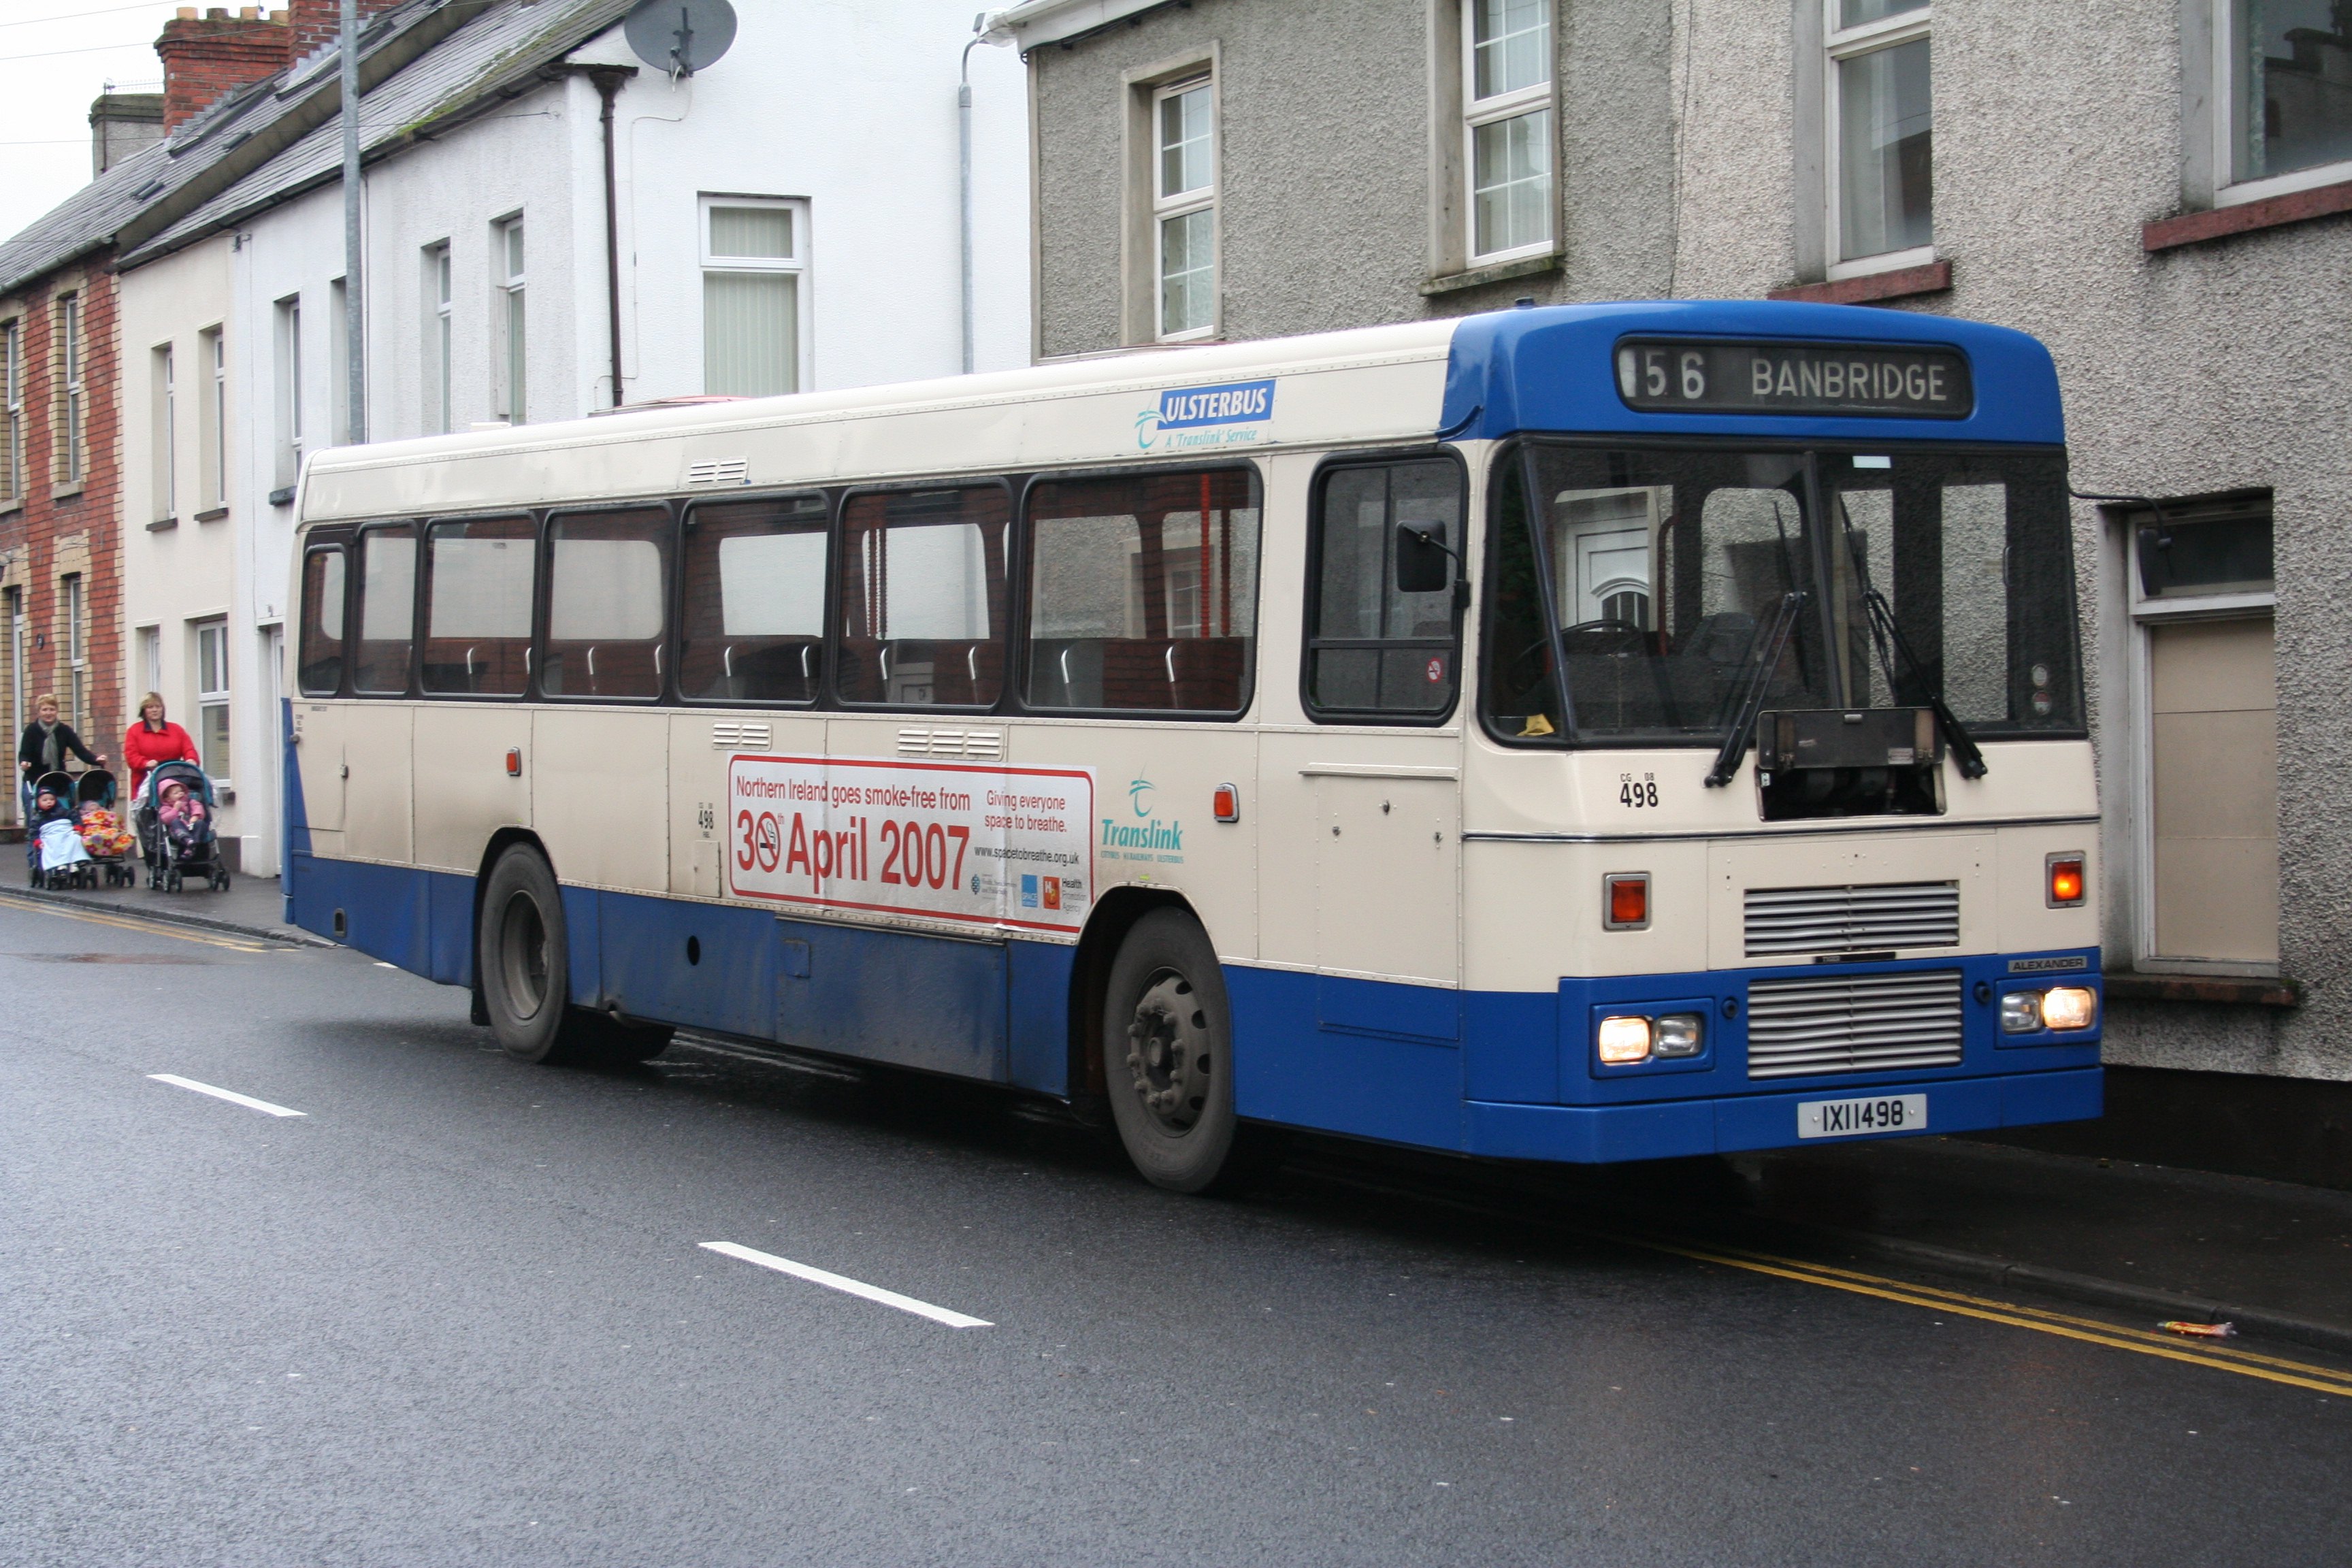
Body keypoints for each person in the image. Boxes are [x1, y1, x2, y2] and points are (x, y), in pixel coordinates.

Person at [17, 694, 103, 821]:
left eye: (52, 709)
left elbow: (80, 751)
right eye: (45, 710)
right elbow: (24, 753)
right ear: (39, 712)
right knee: (34, 817)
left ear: (57, 711)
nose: (48, 713)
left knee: (63, 816)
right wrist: (24, 763)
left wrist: (95, 759)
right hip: (35, 780)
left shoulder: (64, 731)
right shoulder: (31, 730)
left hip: (57, 780)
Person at [122, 692, 199, 797]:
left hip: (174, 780)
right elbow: (131, 756)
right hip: (146, 784)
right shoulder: (134, 731)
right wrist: (145, 763)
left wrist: (191, 759)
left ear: (163, 709)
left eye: (158, 706)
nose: (155, 710)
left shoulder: (176, 730)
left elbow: (189, 749)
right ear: (143, 710)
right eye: (150, 707)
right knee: (151, 810)